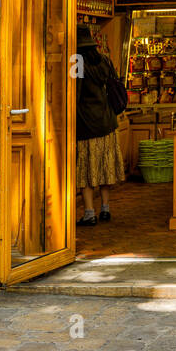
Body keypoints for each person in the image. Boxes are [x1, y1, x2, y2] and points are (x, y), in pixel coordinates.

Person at [76, 25, 125, 226]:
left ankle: (89, 212)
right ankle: (105, 208)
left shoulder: (76, 62)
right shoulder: (105, 60)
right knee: (105, 167)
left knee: (86, 170)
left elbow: (75, 94)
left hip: (87, 124)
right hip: (108, 122)